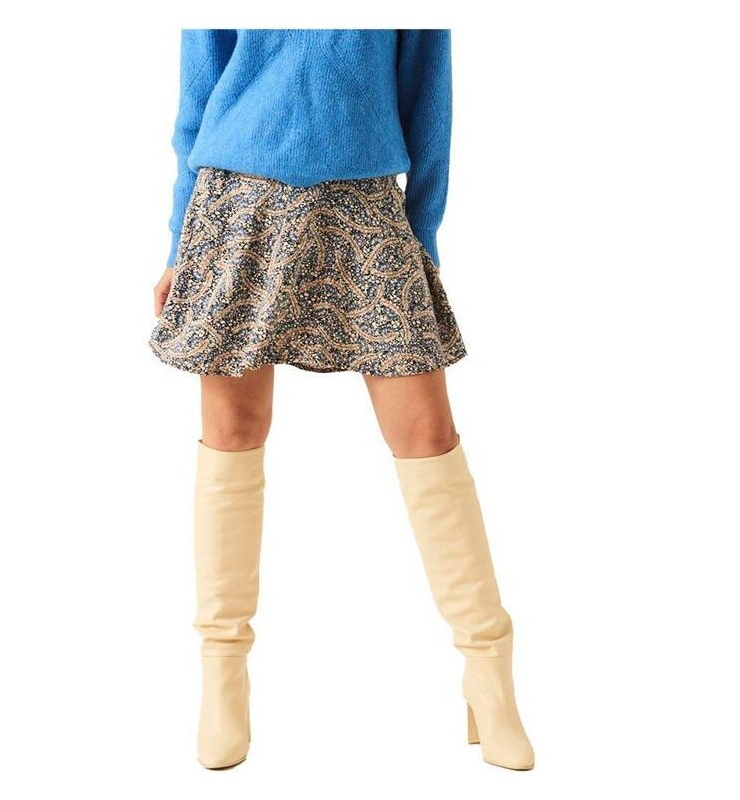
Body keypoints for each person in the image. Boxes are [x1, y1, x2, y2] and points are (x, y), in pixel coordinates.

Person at [148, 28, 534, 772]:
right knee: (233, 430)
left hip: (365, 208)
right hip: (236, 202)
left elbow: (429, 102)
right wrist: (176, 244)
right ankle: (223, 679)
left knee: (425, 434)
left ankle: (490, 673)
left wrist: (421, 238)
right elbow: (197, 100)